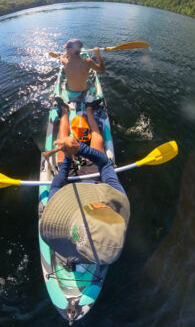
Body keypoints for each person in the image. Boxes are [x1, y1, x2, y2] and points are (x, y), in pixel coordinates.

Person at [40, 103, 130, 267]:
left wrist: (68, 156)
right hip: (94, 179)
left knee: (62, 145)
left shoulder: (62, 207)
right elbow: (104, 163)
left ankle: (65, 113)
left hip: (68, 181)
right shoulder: (116, 196)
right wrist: (79, 149)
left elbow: (56, 185)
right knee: (98, 139)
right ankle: (85, 110)